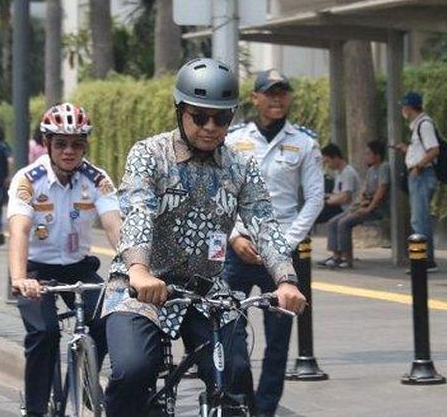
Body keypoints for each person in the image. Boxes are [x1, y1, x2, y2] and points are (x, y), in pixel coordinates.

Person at [101, 59, 306, 417]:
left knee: (236, 375)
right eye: (200, 116)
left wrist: (286, 280)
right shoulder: (149, 155)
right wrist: (139, 270)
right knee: (133, 370)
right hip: (140, 288)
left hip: (205, 291)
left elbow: (265, 223)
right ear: (180, 111)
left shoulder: (241, 166)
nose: (211, 127)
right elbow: (137, 213)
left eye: (222, 118)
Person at [8, 103, 122, 417]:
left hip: (79, 267)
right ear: (47, 144)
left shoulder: (97, 179)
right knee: (44, 333)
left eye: (77, 144)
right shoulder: (28, 179)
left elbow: (115, 225)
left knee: (110, 315)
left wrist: (134, 269)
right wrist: (20, 279)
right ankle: (35, 410)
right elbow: (18, 230)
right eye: (61, 144)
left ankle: (86, 375)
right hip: (35, 270)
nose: (69, 151)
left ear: (85, 145)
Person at [225, 68, 323, 417]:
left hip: (280, 254)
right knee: (230, 333)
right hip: (237, 251)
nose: (277, 98)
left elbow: (313, 199)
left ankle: (264, 411)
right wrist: (235, 235)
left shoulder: (305, 142)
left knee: (278, 343)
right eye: (270, 92)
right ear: (256, 98)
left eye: (282, 92)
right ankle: (242, 400)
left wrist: (284, 243)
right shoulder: (233, 140)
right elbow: (221, 193)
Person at [320, 140, 390, 268]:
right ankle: (336, 256)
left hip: (376, 208)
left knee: (344, 223)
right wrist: (362, 201)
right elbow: (365, 190)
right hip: (363, 205)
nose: (365, 156)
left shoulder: (383, 167)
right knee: (333, 222)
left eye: (368, 154)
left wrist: (369, 208)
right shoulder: (370, 171)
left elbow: (381, 190)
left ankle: (348, 259)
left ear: (377, 156)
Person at [392, 91, 440, 272]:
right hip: (419, 174)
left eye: (403, 107)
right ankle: (424, 259)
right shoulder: (418, 125)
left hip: (422, 175)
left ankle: (426, 260)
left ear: (409, 107)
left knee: (420, 219)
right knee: (418, 218)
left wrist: (418, 167)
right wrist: (407, 150)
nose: (402, 110)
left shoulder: (424, 124)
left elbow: (434, 150)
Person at [315, 143, 359, 226]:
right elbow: (337, 195)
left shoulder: (348, 173)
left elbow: (345, 197)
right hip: (339, 206)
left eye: (328, 161)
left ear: (335, 158)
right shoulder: (338, 173)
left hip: (346, 208)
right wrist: (325, 196)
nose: (328, 165)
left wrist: (326, 202)